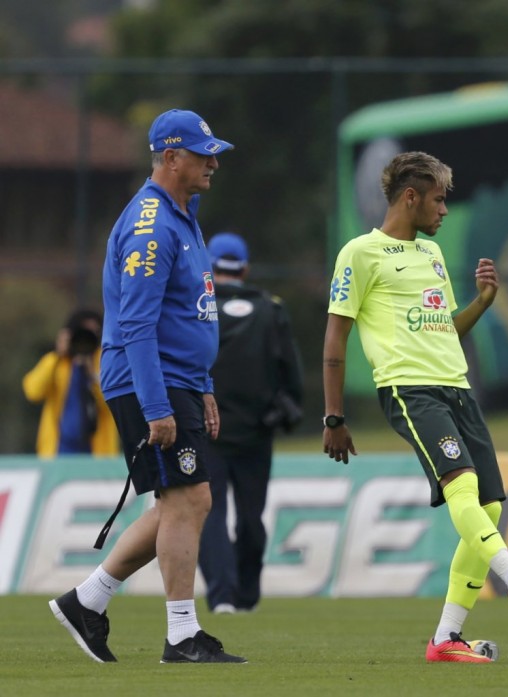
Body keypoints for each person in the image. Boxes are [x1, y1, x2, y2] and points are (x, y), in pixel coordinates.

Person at [322, 151, 508, 663]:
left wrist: (480, 303)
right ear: (410, 198)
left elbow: (444, 330)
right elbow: (335, 340)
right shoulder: (360, 253)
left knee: (490, 505)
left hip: (456, 387)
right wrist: (334, 417)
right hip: (410, 390)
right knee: (463, 485)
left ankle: (447, 639)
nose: (445, 210)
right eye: (439, 199)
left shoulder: (432, 256)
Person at [48, 109, 246, 664]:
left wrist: (203, 386)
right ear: (171, 157)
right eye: (204, 153)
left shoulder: (183, 213)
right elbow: (135, 325)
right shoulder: (151, 226)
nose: (214, 162)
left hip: (178, 380)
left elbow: (190, 314)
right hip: (148, 381)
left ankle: (88, 601)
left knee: (179, 501)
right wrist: (158, 405)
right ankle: (181, 637)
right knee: (191, 498)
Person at [198, 231, 304, 615]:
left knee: (209, 516)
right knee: (251, 517)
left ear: (210, 265)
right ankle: (247, 597)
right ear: (245, 268)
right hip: (257, 433)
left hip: (207, 432)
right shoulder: (271, 309)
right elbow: (291, 374)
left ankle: (222, 597)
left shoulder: (199, 306)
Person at [22, 308, 120, 458]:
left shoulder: (104, 361)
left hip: (98, 453)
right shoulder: (57, 362)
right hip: (58, 450)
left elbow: (113, 403)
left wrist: (92, 374)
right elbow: (33, 392)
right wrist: (57, 356)